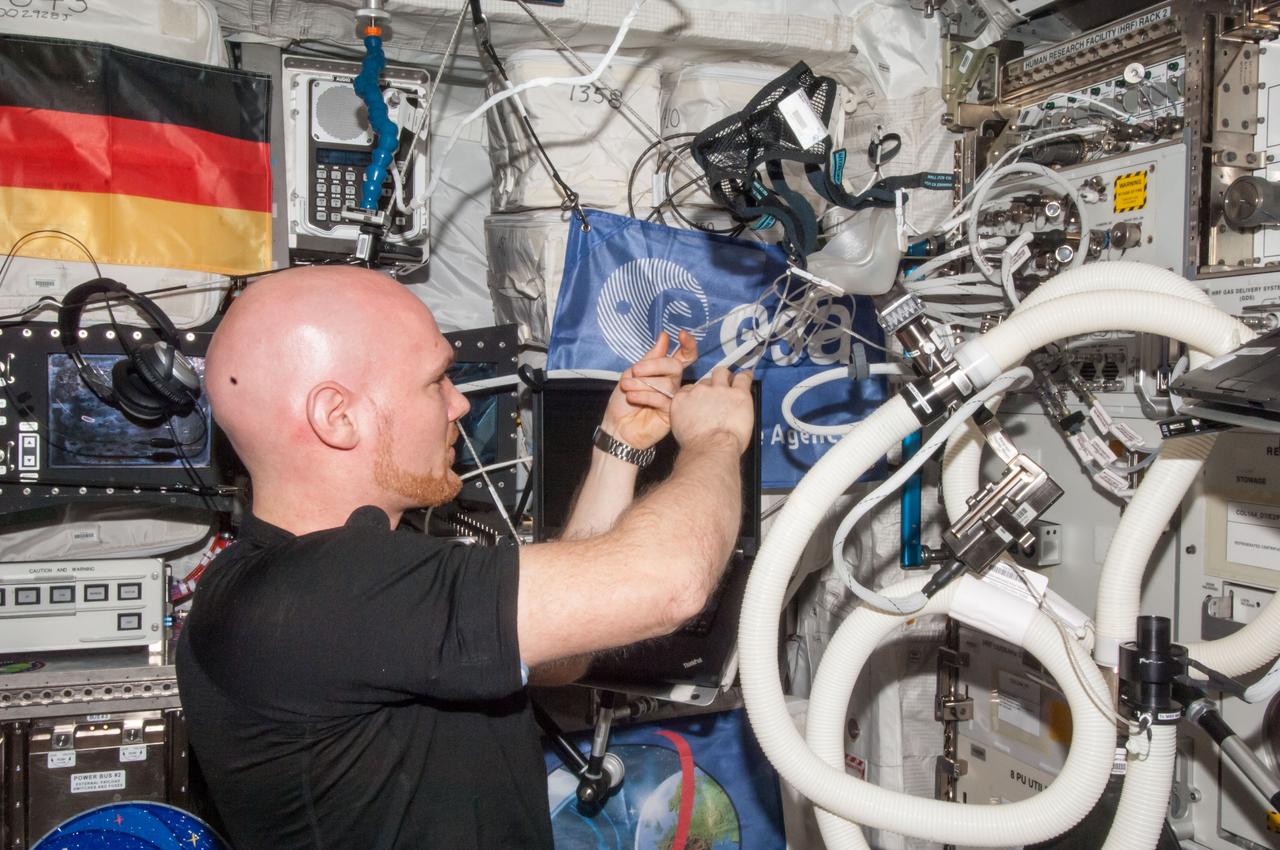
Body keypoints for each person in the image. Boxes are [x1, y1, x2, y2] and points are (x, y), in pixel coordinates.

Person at [176, 265, 755, 849]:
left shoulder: (296, 586)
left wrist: (618, 446)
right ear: (337, 416)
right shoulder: (324, 595)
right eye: (436, 381)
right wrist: (716, 440)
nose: (458, 404)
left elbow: (561, 659)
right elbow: (668, 582)